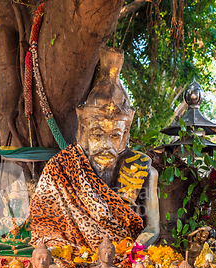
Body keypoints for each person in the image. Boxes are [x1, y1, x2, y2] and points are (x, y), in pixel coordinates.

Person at [29, 46, 159, 255]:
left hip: (123, 256)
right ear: (84, 131)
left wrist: (133, 249)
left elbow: (152, 228)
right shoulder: (62, 169)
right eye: (98, 134)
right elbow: (46, 226)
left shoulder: (142, 170)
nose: (106, 143)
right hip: (72, 254)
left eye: (115, 136)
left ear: (125, 137)